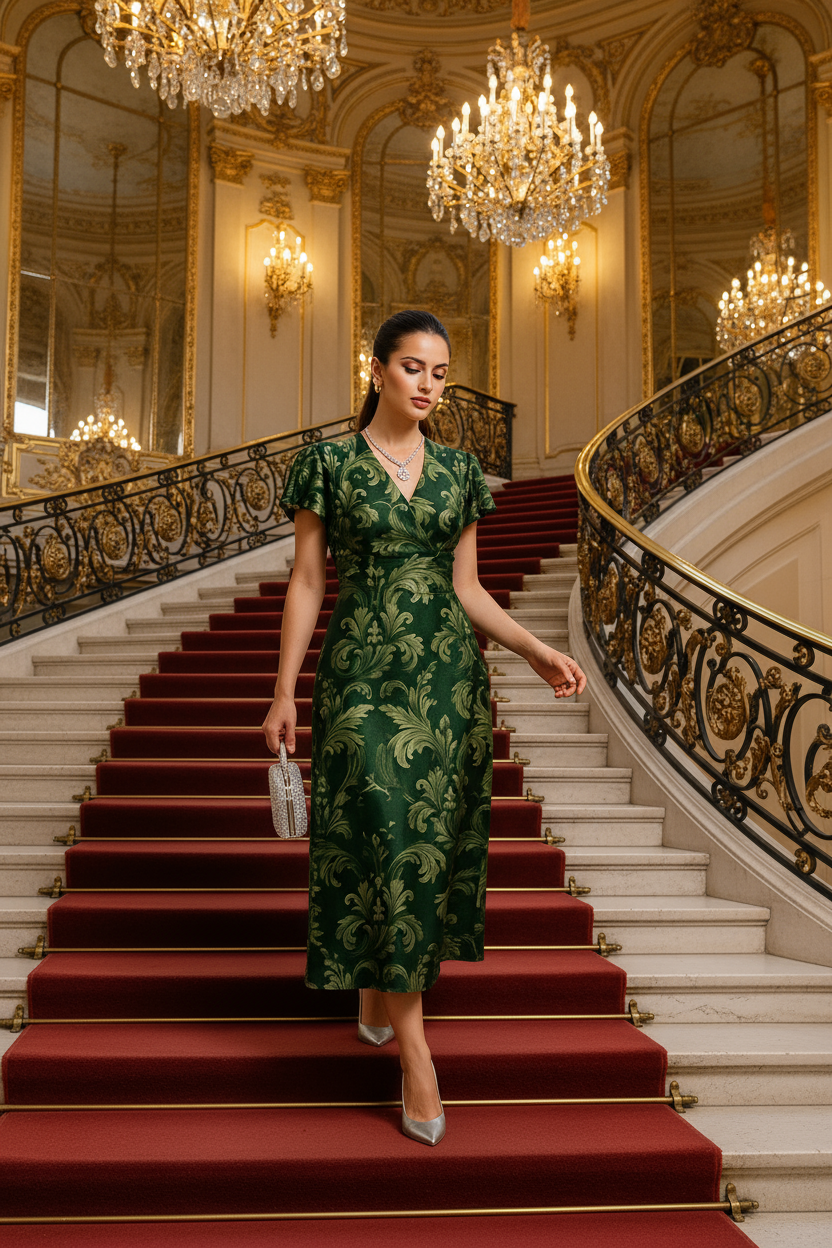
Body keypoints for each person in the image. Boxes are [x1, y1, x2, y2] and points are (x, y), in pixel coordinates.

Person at [262, 309, 587, 1146]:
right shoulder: (328, 465)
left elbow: (467, 589)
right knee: (382, 834)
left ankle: (378, 994)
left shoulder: (460, 473)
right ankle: (417, 1055)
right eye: (413, 367)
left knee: (423, 851)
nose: (429, 385)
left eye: (440, 373)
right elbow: (307, 581)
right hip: (360, 680)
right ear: (375, 369)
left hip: (446, 684)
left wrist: (535, 650)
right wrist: (284, 690)